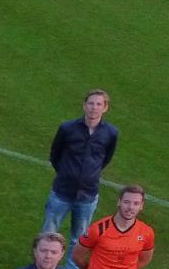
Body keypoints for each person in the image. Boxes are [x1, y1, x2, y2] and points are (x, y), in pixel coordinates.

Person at [41, 89, 119, 244]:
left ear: (105, 108)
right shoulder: (67, 128)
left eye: (98, 104)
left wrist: (90, 175)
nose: (94, 107)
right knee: (48, 234)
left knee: (79, 239)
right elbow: (55, 155)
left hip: (87, 195)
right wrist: (66, 173)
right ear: (84, 105)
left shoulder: (111, 133)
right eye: (91, 103)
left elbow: (106, 158)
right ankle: (44, 260)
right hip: (61, 192)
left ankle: (71, 263)